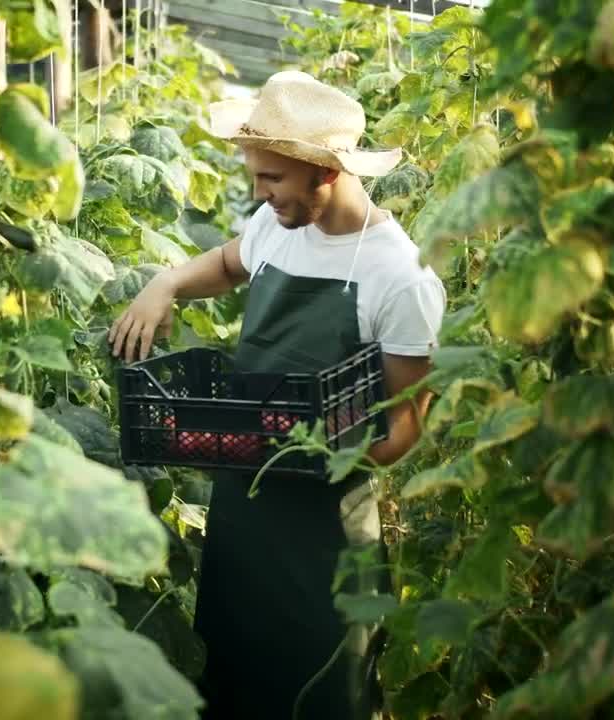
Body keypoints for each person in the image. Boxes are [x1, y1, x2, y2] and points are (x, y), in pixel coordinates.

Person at [108, 71, 446, 719]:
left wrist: (323, 452)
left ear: (325, 173)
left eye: (271, 179)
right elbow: (228, 265)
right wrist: (167, 285)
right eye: (257, 176)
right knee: (231, 676)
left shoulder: (400, 278)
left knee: (322, 688)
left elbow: (404, 427)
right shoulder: (275, 228)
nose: (259, 194)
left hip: (325, 527)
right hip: (243, 502)